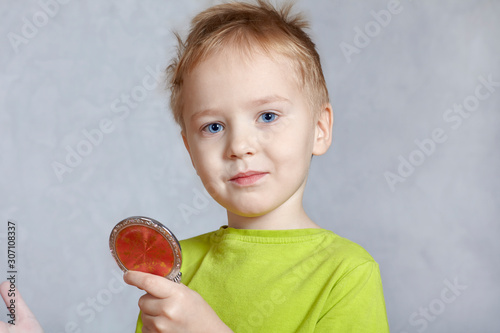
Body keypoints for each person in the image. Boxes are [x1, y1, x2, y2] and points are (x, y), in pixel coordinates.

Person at [0, 1, 389, 332]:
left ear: (319, 129)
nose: (239, 146)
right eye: (213, 126)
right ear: (189, 148)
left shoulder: (348, 273)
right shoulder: (171, 269)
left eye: (267, 116)